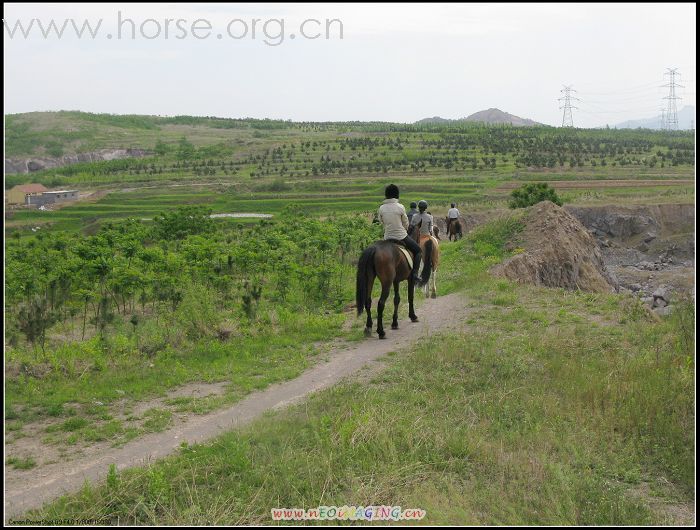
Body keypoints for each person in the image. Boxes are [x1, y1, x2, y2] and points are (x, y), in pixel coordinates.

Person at [378, 184, 423, 285]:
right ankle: (415, 274)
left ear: (386, 195)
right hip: (401, 236)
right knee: (418, 251)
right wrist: (405, 229)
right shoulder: (401, 207)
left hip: (387, 237)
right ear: (396, 195)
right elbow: (406, 223)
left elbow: (382, 222)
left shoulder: (381, 208)